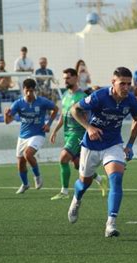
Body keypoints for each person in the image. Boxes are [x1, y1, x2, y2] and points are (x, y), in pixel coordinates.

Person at [67, 67, 137, 238]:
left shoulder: (131, 100)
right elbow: (74, 110)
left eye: (128, 84)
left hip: (113, 144)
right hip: (91, 145)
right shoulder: (99, 96)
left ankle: (111, 224)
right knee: (84, 183)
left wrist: (129, 145)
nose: (126, 87)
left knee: (116, 178)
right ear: (113, 82)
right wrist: (89, 127)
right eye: (122, 83)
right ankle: (77, 199)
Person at [49, 68, 107, 200]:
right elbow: (63, 115)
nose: (65, 80)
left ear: (76, 78)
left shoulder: (82, 97)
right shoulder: (65, 96)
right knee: (77, 165)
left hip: (79, 133)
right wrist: (55, 130)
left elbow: (89, 115)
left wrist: (90, 129)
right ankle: (100, 179)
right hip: (68, 133)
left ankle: (64, 192)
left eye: (68, 78)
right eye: (64, 78)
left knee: (63, 158)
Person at [4, 78, 58, 194]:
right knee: (20, 163)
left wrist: (49, 124)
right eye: (27, 90)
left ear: (34, 90)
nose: (29, 93)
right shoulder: (18, 103)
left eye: (31, 90)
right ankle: (25, 184)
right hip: (23, 136)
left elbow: (55, 109)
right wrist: (6, 115)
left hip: (38, 134)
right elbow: (8, 121)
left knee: (28, 154)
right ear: (23, 90)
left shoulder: (42, 101)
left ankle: (37, 176)